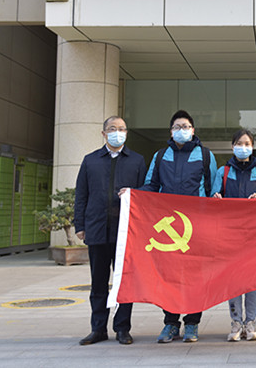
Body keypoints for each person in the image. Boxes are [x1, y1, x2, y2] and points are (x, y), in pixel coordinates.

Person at [139, 110, 218, 343]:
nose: (181, 130)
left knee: (195, 277)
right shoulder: (160, 155)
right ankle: (171, 323)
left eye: (185, 126)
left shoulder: (205, 155)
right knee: (170, 277)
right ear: (170, 131)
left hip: (197, 225)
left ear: (193, 130)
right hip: (168, 226)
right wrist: (132, 194)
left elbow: (213, 190)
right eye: (177, 127)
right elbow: (151, 185)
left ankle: (192, 323)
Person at [74, 116, 147, 346]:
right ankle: (98, 329)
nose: (118, 132)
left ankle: (122, 328)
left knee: (124, 282)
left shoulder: (137, 160)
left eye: (122, 129)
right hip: (96, 229)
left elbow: (145, 193)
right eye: (113, 129)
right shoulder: (90, 161)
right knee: (98, 283)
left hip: (126, 232)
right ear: (104, 133)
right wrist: (80, 225)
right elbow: (81, 194)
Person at [211, 129, 256, 342]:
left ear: (252, 147)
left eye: (247, 144)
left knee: (252, 280)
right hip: (230, 234)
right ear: (232, 146)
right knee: (233, 279)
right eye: (239, 143)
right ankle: (236, 322)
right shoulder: (223, 172)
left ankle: (250, 322)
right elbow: (213, 195)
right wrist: (216, 197)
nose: (243, 147)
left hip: (255, 234)